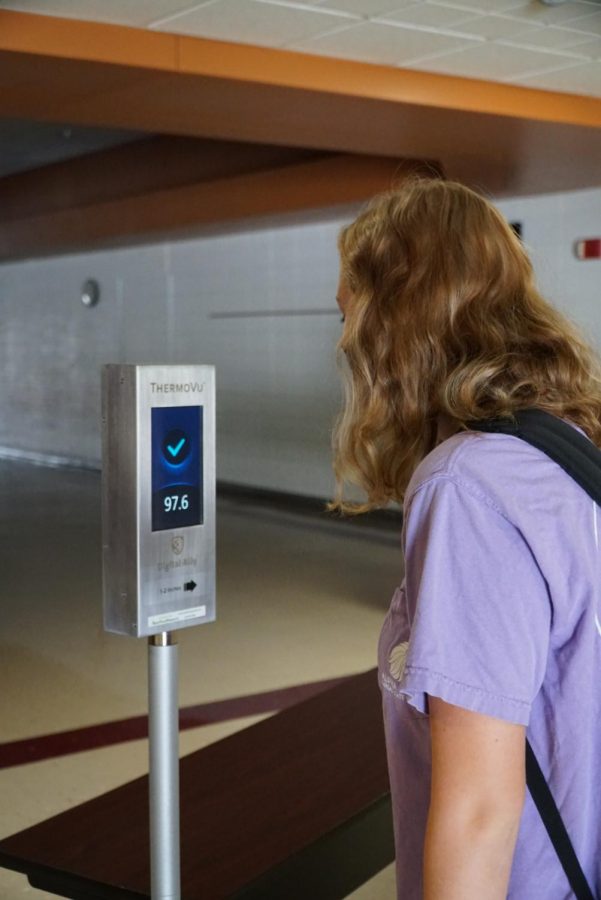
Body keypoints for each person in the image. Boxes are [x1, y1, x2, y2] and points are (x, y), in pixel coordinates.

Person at [331, 177, 601, 899]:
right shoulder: (565, 447)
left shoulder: (467, 488)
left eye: (349, 312)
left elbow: (479, 808)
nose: (343, 342)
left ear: (394, 322)